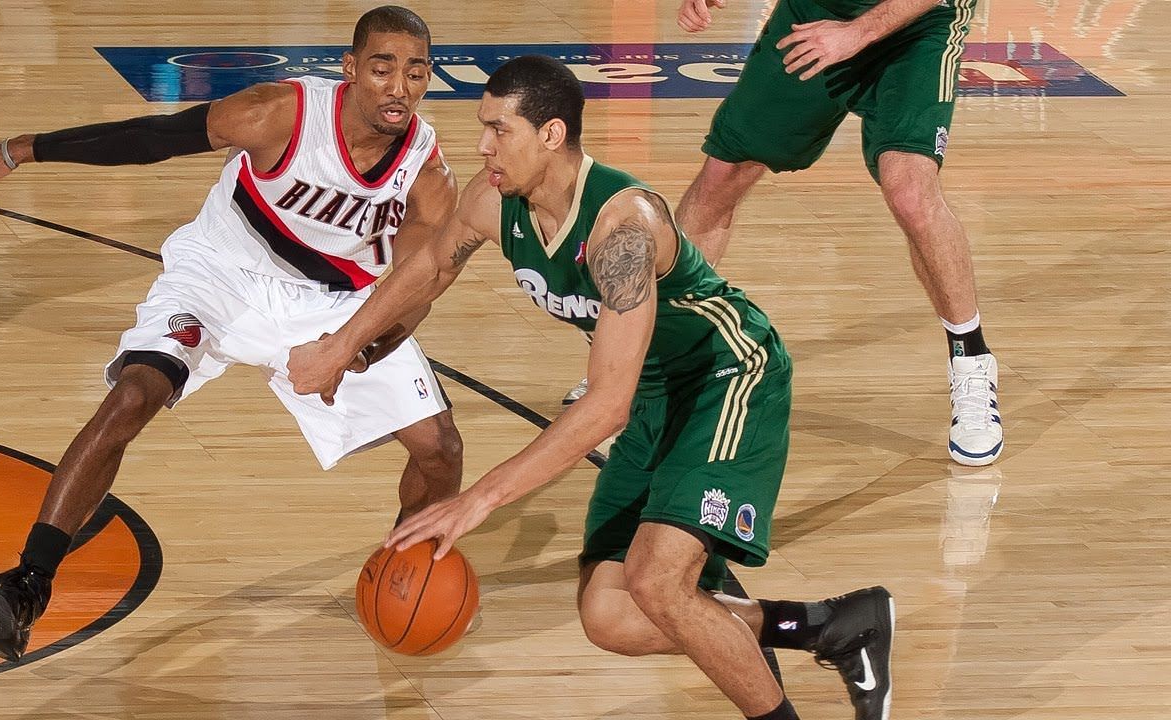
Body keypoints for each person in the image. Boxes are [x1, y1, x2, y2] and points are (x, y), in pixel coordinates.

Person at [288, 55, 894, 720]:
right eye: (482, 128)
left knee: (657, 584)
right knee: (609, 613)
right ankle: (832, 626)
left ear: (551, 135)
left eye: (500, 130)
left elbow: (606, 403)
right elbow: (431, 266)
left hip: (727, 377)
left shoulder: (622, 227)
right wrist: (341, 346)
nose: (484, 145)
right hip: (657, 393)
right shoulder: (495, 203)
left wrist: (478, 501)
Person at [0, 5, 464, 663]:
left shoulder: (426, 170)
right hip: (220, 272)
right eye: (383, 68)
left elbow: (419, 283)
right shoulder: (280, 114)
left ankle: (402, 573)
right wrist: (22, 150)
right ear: (351, 70)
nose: (399, 87)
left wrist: (361, 345)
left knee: (439, 449)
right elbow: (153, 137)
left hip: (331, 305)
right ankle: (27, 584)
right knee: (132, 397)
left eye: (415, 72)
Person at [671, 0, 1001, 467]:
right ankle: (644, 346)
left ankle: (971, 361)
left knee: (909, 189)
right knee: (724, 173)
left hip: (918, 25)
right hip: (816, 10)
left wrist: (858, 33)